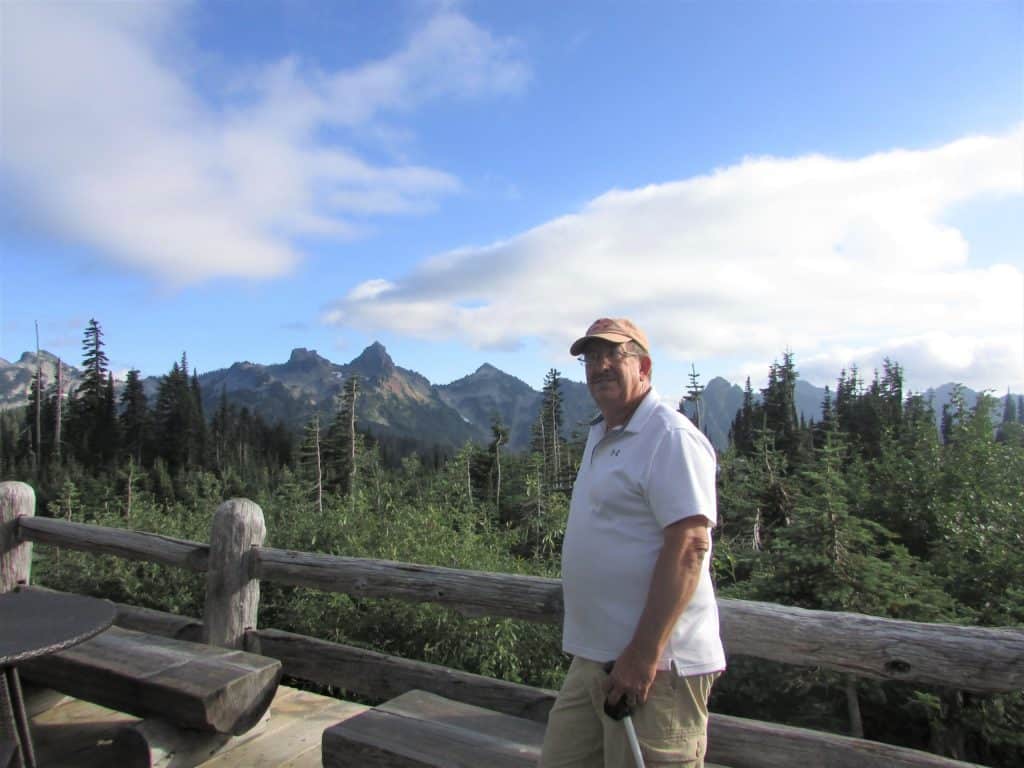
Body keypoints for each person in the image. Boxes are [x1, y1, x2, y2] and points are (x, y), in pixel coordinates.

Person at [539, 318, 726, 768]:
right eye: (591, 357)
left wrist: (643, 655)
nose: (599, 366)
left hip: (654, 668)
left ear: (644, 366)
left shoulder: (670, 436)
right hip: (593, 659)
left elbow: (690, 546)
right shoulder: (602, 434)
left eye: (613, 355)